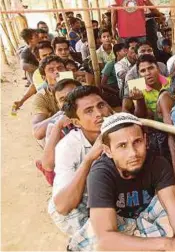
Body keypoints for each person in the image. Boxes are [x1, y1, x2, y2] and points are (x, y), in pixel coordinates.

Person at [66, 112, 175, 251]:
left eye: (137, 142)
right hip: (116, 226)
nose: (133, 153)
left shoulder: (158, 163)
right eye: (122, 146)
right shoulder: (101, 173)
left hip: (144, 220)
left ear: (145, 139)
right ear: (108, 151)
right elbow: (105, 240)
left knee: (172, 202)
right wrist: (166, 243)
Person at [47, 86, 112, 250]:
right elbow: (62, 206)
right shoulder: (68, 147)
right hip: (80, 207)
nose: (99, 113)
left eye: (101, 105)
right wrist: (90, 158)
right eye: (89, 111)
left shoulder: (119, 130)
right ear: (76, 122)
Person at [38, 79, 82, 185]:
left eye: (72, 95)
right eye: (62, 99)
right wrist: (58, 126)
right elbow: (48, 166)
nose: (69, 101)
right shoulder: (56, 126)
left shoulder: (98, 116)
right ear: (58, 105)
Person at [32, 56, 67, 141]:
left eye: (60, 68)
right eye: (51, 70)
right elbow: (37, 132)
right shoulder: (41, 96)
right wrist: (63, 114)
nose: (57, 72)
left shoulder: (79, 87)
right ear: (44, 77)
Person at [100, 43, 126, 107]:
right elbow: (103, 84)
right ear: (118, 53)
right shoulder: (110, 64)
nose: (127, 52)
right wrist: (116, 92)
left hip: (122, 86)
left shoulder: (126, 63)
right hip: (112, 88)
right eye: (124, 51)